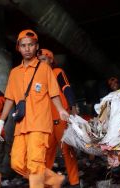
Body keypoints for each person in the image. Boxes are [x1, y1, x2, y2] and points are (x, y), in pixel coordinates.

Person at [0, 29, 69, 188]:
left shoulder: (44, 68)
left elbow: (54, 93)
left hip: (40, 124)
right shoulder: (14, 73)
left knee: (35, 165)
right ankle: (55, 180)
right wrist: (1, 121)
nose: (27, 48)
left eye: (31, 45)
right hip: (21, 125)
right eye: (23, 45)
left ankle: (44, 183)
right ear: (18, 48)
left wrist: (61, 110)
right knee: (16, 163)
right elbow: (9, 98)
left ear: (36, 47)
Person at [37, 48, 80, 187]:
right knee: (46, 155)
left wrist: (73, 107)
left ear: (50, 60)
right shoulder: (37, 79)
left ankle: (75, 182)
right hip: (46, 123)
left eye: (43, 59)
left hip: (61, 120)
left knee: (68, 152)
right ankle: (49, 184)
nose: (41, 62)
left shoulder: (57, 72)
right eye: (39, 60)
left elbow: (66, 88)